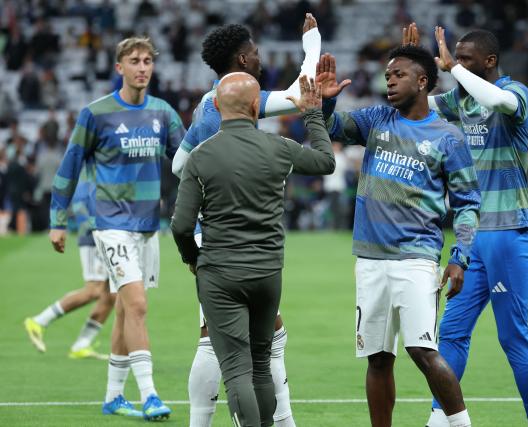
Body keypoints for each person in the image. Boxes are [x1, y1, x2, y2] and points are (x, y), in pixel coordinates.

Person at [171, 15, 321, 427]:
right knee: (221, 343)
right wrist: (312, 46)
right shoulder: (233, 100)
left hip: (217, 234)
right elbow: (298, 95)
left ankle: (276, 420)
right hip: (227, 241)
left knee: (267, 334)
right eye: (254, 51)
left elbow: (179, 163)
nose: (260, 57)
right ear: (242, 58)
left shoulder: (209, 102)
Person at [317, 45, 479, 426]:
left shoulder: (448, 138)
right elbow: (332, 128)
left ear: (423, 82)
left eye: (399, 74)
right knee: (377, 357)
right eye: (387, 75)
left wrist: (460, 257)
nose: (389, 80)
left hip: (416, 258)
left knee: (423, 350)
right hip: (370, 259)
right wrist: (324, 105)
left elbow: (468, 203)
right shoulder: (377, 119)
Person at [403, 24, 528, 426]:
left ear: (490, 61)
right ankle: (439, 419)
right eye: (456, 58)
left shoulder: (514, 92)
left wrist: (454, 69)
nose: (459, 66)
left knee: (512, 337)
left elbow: (498, 101)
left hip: (509, 232)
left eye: (467, 59)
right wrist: (414, 64)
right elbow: (418, 106)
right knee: (450, 333)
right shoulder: (459, 99)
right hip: (472, 237)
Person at [49, 36, 185, 420]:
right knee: (138, 303)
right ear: (119, 67)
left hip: (147, 225)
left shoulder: (163, 114)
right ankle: (150, 395)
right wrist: (57, 220)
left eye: (147, 61)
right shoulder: (96, 113)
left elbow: (187, 163)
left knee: (127, 310)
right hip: (110, 224)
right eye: (135, 61)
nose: (142, 67)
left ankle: (112, 397)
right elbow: (69, 166)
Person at [25, 167, 115, 359]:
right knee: (94, 289)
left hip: (108, 232)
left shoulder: (103, 165)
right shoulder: (93, 168)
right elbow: (83, 198)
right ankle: (39, 321)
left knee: (111, 294)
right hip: (95, 233)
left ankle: (82, 344)